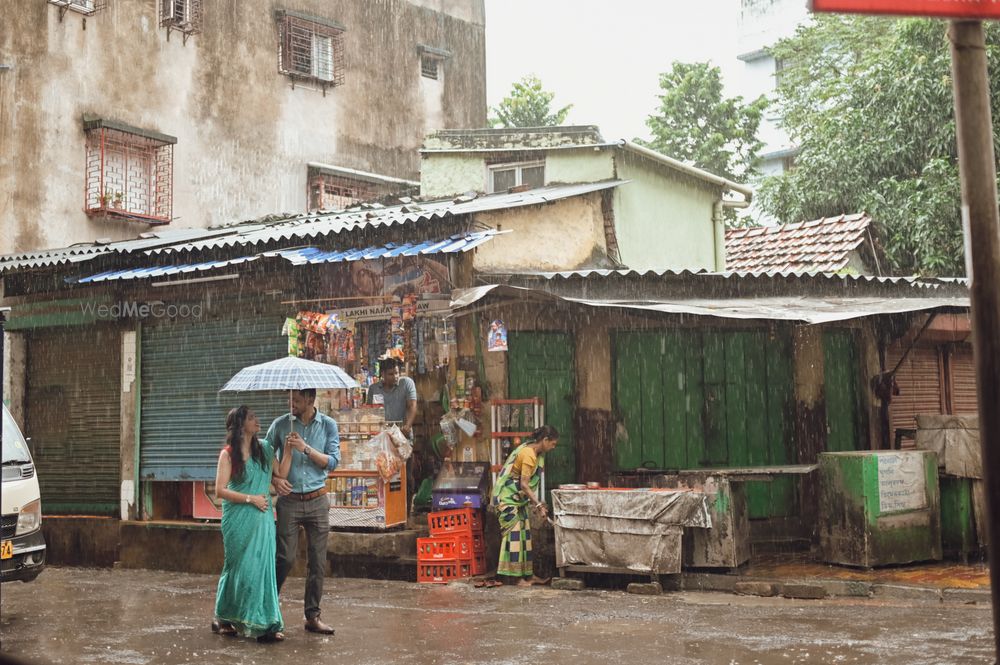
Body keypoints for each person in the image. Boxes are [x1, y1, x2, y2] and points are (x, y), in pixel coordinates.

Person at [212, 406, 292, 642]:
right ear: (240, 426)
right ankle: (224, 616)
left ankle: (265, 622)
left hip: (263, 518)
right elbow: (219, 490)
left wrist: (289, 450)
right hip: (238, 517)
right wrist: (251, 499)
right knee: (238, 568)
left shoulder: (265, 449)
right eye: (251, 418)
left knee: (262, 569)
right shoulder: (228, 455)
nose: (257, 420)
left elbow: (282, 472)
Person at [266, 389, 340, 636]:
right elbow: (264, 456)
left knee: (317, 562)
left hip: (318, 500)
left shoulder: (328, 425)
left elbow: (332, 462)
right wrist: (276, 481)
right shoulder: (280, 425)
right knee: (285, 558)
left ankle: (313, 616)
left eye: (296, 400)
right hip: (289, 501)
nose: (292, 404)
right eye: (290, 399)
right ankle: (266, 609)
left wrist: (304, 448)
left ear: (310, 400)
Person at [489, 425, 559, 587]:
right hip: (507, 499)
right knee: (514, 539)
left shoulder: (535, 453)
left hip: (518, 500)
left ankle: (528, 576)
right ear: (545, 440)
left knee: (524, 537)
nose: (553, 447)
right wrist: (539, 505)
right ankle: (515, 579)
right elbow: (525, 485)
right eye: (553, 444)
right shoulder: (529, 455)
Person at [365, 357, 417, 438]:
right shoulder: (374, 389)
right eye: (391, 374)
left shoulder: (407, 383)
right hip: (381, 436)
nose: (395, 376)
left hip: (402, 434)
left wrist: (407, 426)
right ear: (383, 374)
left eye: (396, 373)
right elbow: (370, 412)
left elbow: (412, 405)